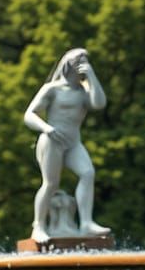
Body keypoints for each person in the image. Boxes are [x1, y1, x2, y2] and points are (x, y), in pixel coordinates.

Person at [24, 47, 109, 243]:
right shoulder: (52, 89)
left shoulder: (85, 92)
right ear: (69, 64)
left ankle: (86, 222)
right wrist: (46, 129)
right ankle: (38, 226)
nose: (83, 64)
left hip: (73, 143)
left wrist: (91, 76)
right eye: (80, 60)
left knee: (88, 173)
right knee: (51, 184)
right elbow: (29, 114)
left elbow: (99, 104)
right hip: (52, 141)